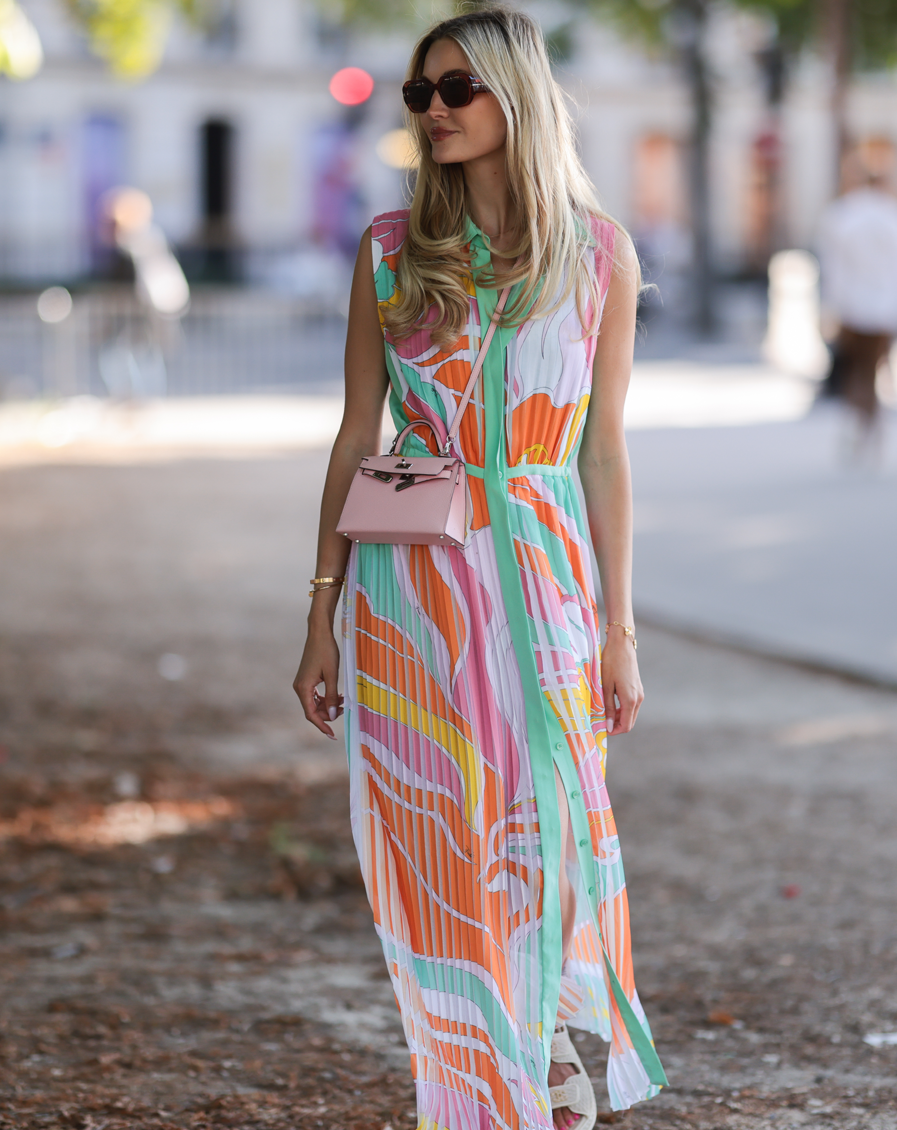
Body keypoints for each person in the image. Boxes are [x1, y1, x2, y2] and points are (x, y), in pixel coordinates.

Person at [290, 9, 664, 1127]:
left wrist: (619, 627)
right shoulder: (393, 251)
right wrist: (319, 613)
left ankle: (541, 1033)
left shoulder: (598, 255)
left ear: (516, 92)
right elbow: (359, 430)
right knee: (436, 837)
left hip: (546, 576)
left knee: (546, 817)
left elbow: (603, 448)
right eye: (418, 95)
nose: (435, 109)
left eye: (456, 87)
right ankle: (468, 1072)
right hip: (410, 592)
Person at [814, 152, 897, 465]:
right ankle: (872, 430)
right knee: (874, 369)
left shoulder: (841, 217)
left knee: (857, 371)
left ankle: (859, 426)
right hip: (886, 309)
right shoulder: (896, 217)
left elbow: (833, 271)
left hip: (853, 309)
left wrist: (830, 308)